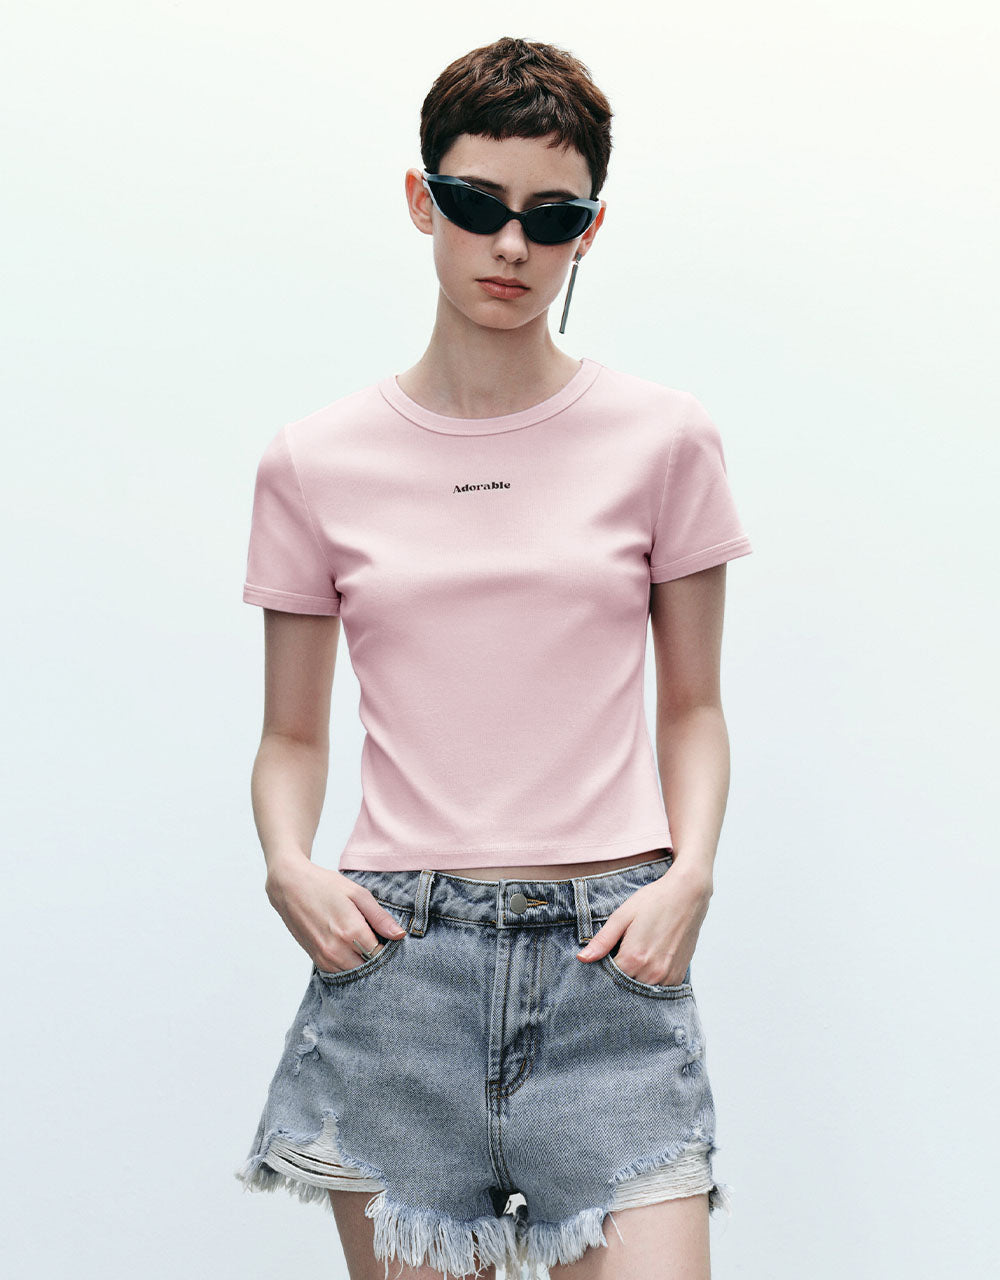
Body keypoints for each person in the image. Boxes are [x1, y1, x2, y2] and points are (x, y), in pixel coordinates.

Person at [234, 34, 753, 1280]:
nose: (511, 244)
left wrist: (690, 874)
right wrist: (287, 864)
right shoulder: (313, 461)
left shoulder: (664, 439)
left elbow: (693, 705)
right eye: (477, 204)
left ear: (589, 229)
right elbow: (293, 733)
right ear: (422, 201)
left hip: (609, 965)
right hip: (400, 968)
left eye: (551, 216)